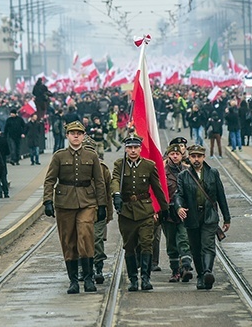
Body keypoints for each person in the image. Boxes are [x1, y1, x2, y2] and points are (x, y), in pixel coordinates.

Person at [43, 120, 107, 294]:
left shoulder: (91, 156)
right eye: (73, 133)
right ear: (67, 136)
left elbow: (100, 182)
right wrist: (47, 201)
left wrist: (102, 204)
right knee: (68, 240)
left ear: (84, 135)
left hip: (87, 201)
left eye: (79, 133)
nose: (76, 136)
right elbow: (50, 180)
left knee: (85, 235)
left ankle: (88, 278)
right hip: (65, 203)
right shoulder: (59, 156)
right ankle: (73, 281)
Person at [111, 133, 169, 291]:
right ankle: (133, 280)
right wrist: (116, 194)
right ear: (125, 149)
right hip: (127, 212)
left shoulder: (149, 165)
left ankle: (145, 278)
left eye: (135, 147)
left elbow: (157, 188)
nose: (132, 151)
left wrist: (164, 209)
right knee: (129, 246)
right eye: (129, 148)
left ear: (140, 148)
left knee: (146, 244)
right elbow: (115, 180)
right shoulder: (119, 164)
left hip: (145, 211)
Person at [175, 144, 231, 290]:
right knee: (196, 247)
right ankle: (200, 275)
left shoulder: (213, 173)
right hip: (192, 217)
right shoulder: (183, 176)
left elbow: (221, 196)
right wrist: (179, 207)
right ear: (189, 158)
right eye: (193, 156)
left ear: (203, 157)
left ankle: (207, 272)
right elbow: (179, 195)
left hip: (209, 216)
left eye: (199, 156)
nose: (196, 159)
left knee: (208, 245)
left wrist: (227, 218)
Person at [82, 136, 113, 284]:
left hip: (98, 211)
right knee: (81, 240)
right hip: (80, 210)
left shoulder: (103, 169)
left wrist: (108, 214)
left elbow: (108, 194)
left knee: (97, 240)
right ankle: (84, 268)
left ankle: (98, 267)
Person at [162, 144, 193, 283]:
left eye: (178, 154)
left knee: (184, 239)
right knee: (171, 243)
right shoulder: (161, 172)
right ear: (168, 155)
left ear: (182, 155)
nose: (175, 156)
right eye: (172, 154)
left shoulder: (188, 171)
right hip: (168, 213)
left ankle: (186, 267)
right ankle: (175, 270)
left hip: (184, 212)